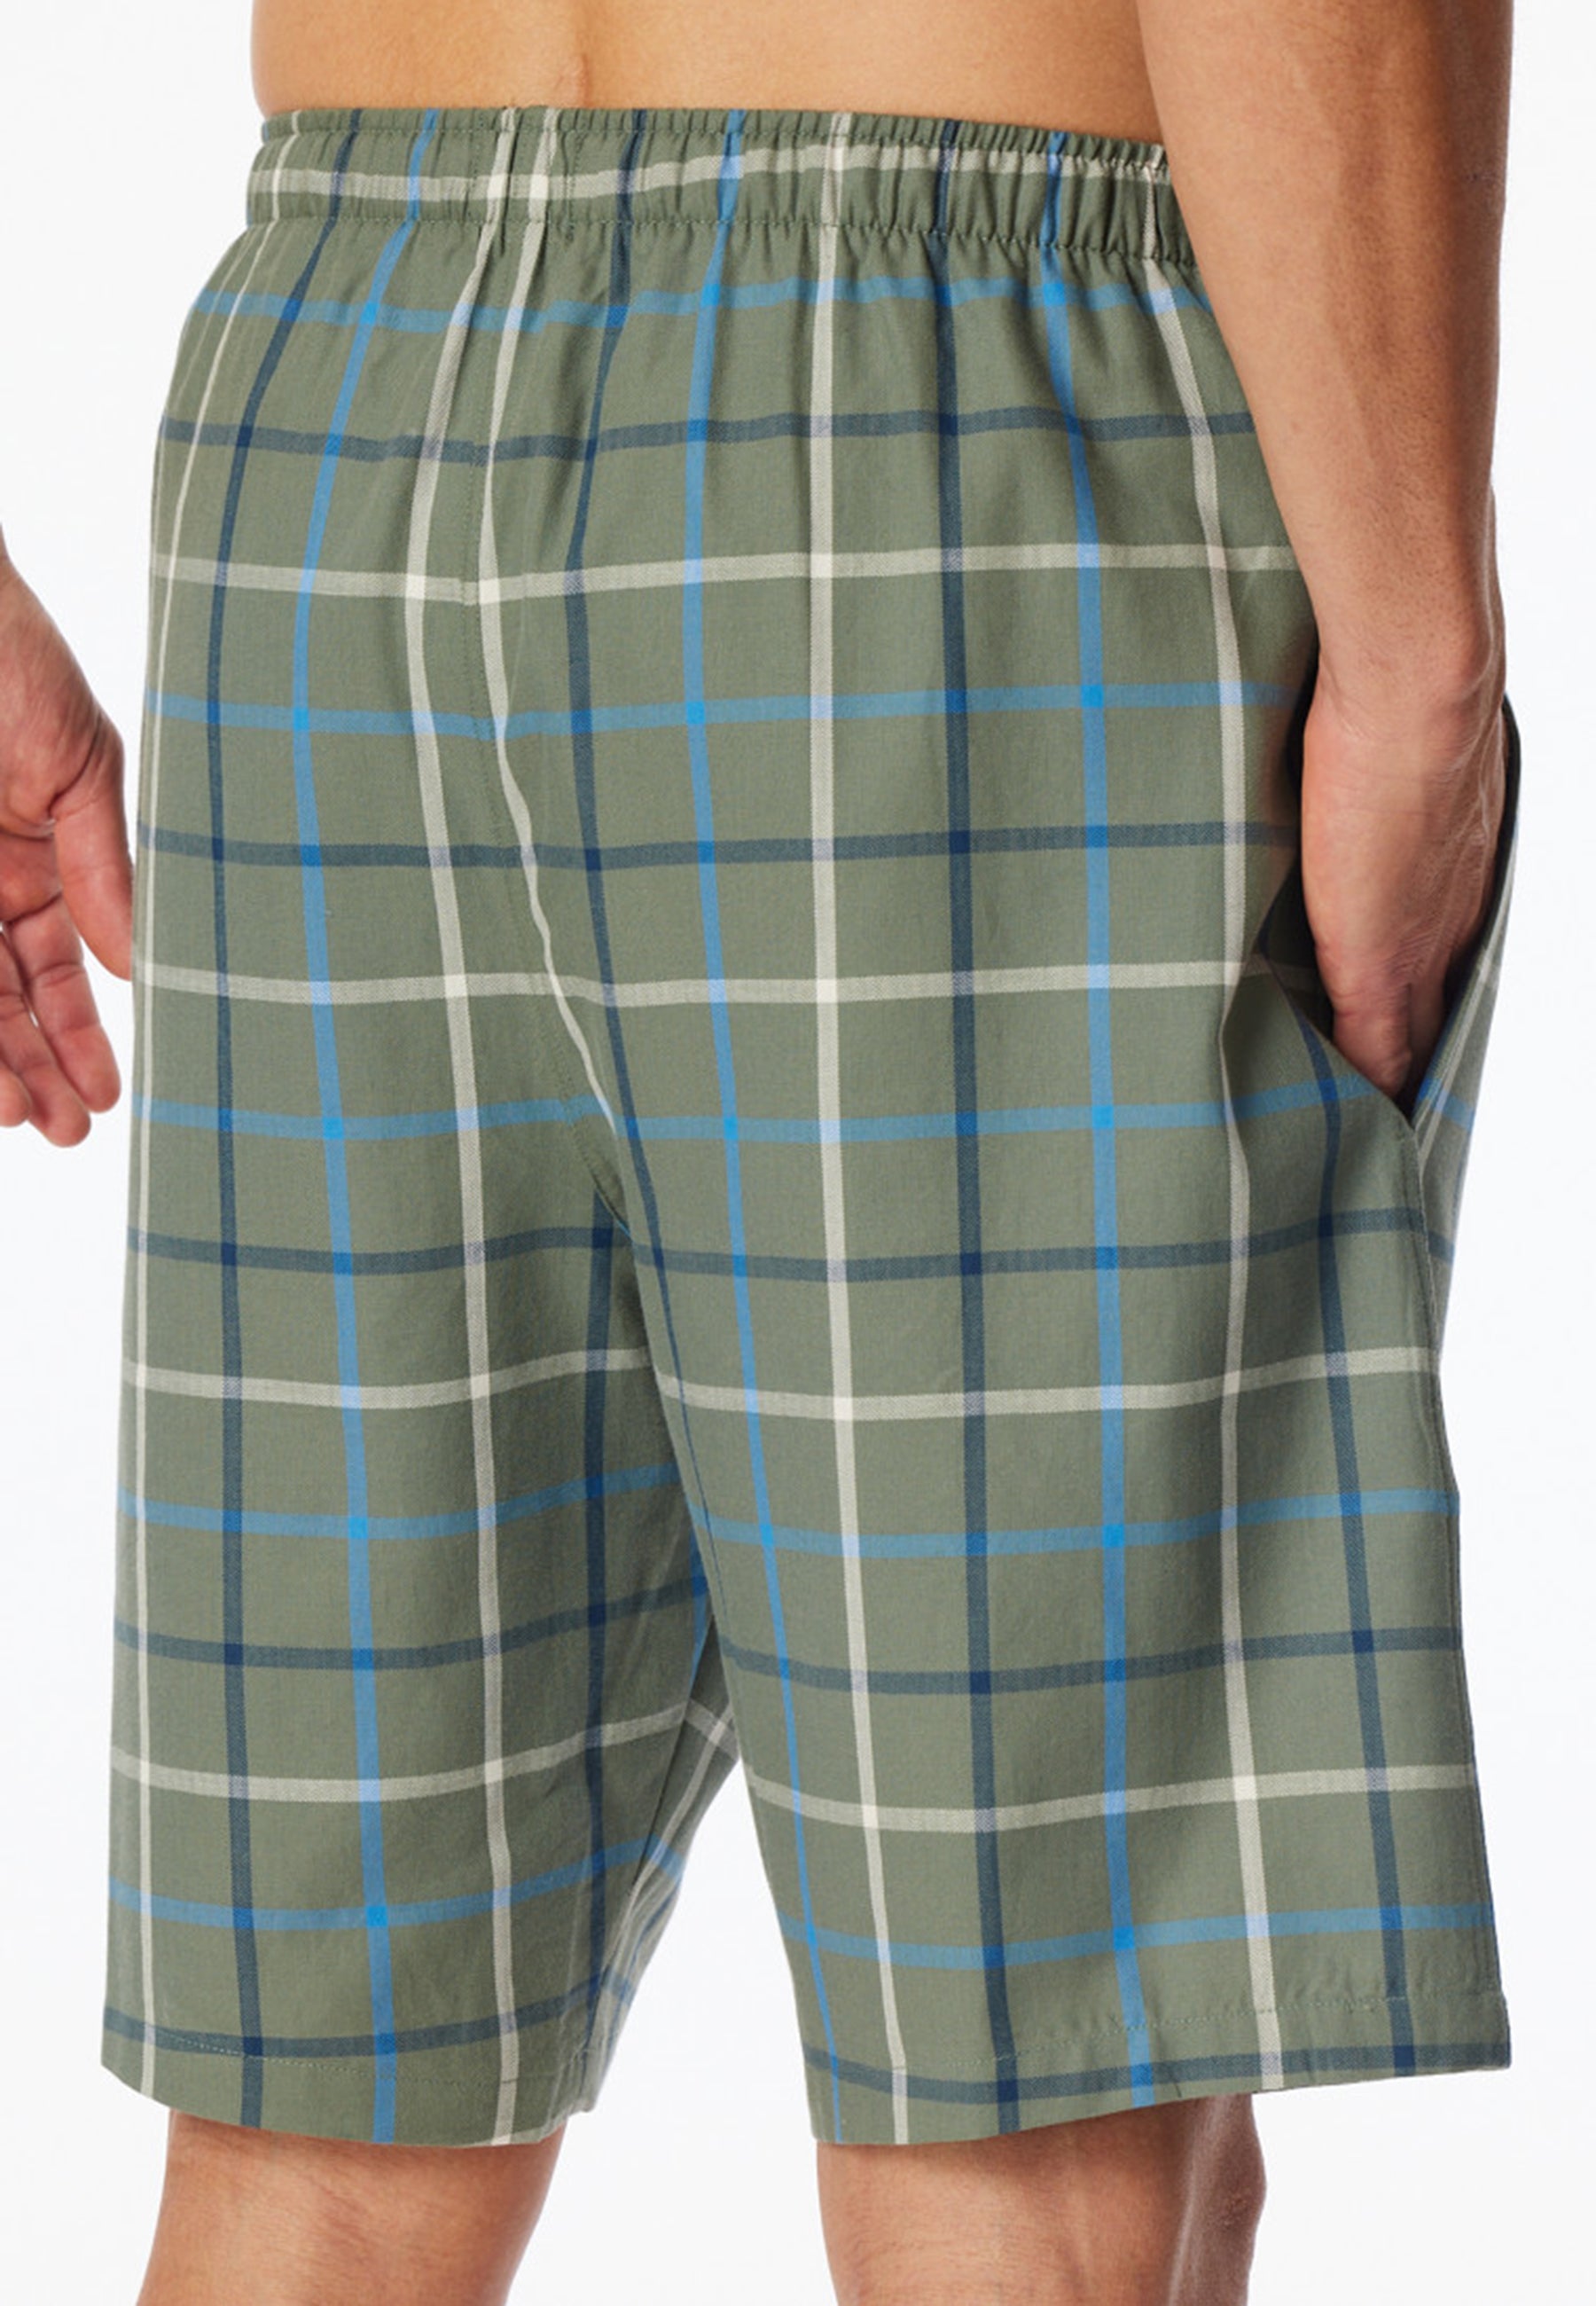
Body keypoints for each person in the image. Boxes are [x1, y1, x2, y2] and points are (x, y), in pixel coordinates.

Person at [0, 1, 1518, 2298]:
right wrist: (1419, 659)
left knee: (325, 2139)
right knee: (1038, 2105)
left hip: (337, 414)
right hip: (954, 421)